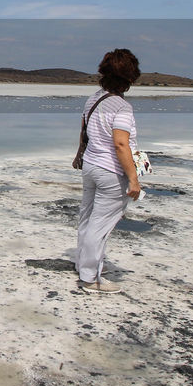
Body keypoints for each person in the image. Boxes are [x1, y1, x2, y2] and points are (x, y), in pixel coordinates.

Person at [75, 48, 142, 294]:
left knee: (87, 218)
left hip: (91, 166)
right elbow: (121, 144)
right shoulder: (121, 107)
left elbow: (85, 132)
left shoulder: (94, 98)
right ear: (129, 79)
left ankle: (82, 265)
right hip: (110, 171)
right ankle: (90, 278)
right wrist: (133, 179)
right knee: (100, 225)